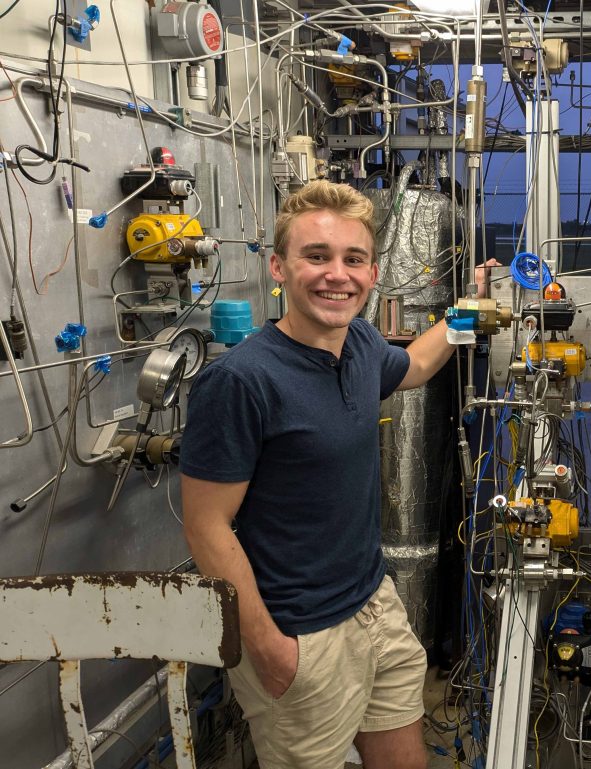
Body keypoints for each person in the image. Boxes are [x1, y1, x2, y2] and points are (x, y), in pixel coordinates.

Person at [179, 181, 459, 769]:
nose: (338, 274)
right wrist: (269, 648)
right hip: (301, 634)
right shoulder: (242, 382)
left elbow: (414, 367)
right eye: (317, 257)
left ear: (373, 272)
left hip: (373, 604)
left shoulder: (357, 343)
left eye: (353, 260)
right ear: (279, 268)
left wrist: (468, 314)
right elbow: (207, 528)